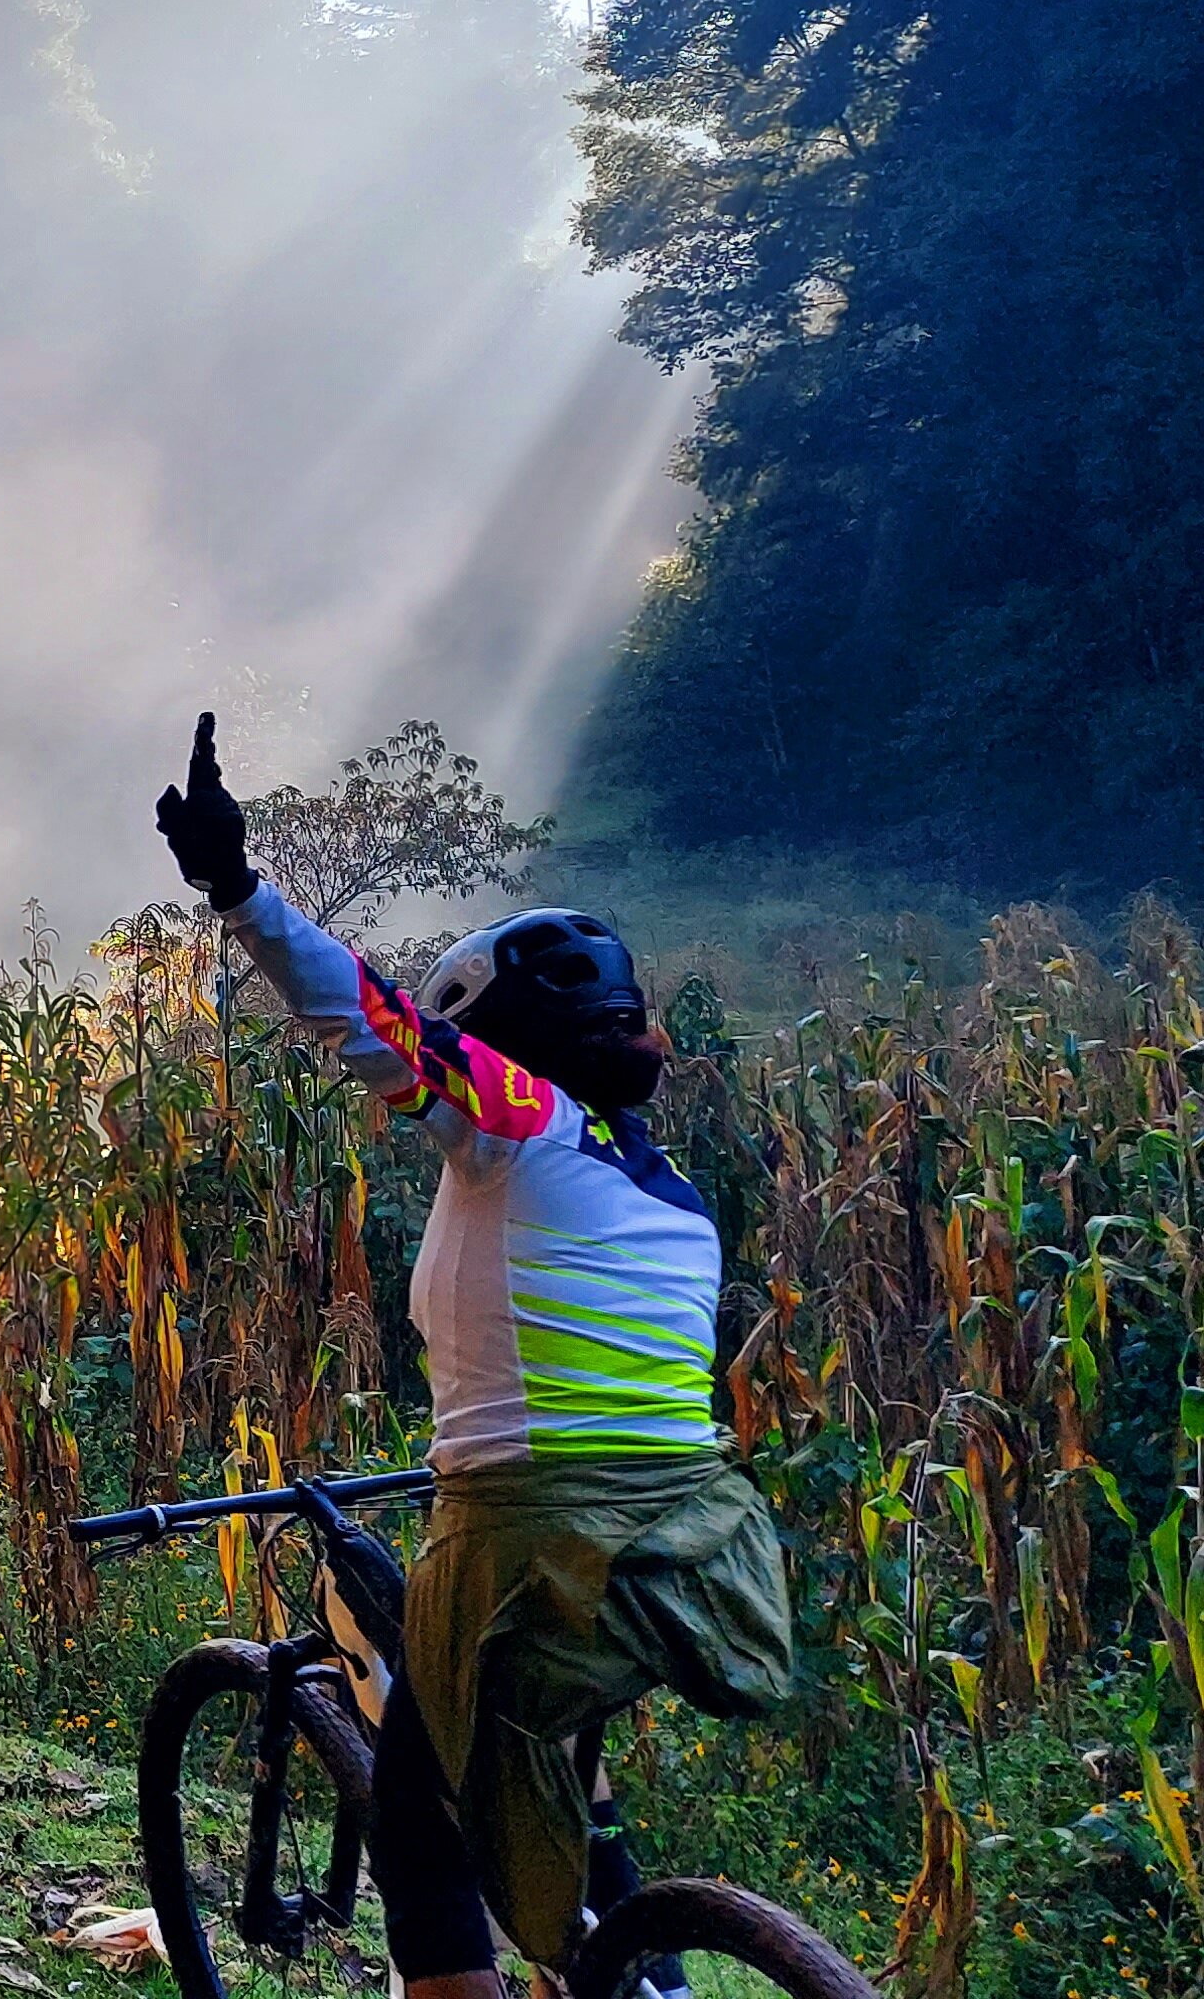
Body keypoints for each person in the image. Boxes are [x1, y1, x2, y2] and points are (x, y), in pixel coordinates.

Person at [155, 713, 789, 1999]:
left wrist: (236, 890)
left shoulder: (523, 1128)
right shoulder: (675, 1201)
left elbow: (369, 1021)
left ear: (499, 1037)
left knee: (418, 1836)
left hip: (526, 1538)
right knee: (553, 1761)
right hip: (686, 1545)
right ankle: (635, 1970)